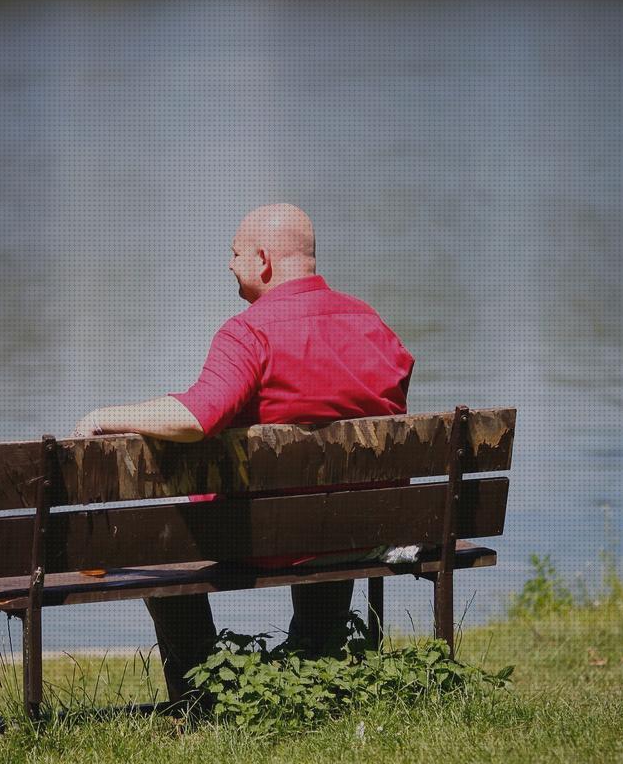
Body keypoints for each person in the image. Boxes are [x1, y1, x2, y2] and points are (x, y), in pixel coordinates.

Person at [72, 203, 415, 702]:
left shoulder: (250, 331)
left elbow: (196, 418)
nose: (230, 265)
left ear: (263, 261)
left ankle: (200, 693)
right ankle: (315, 667)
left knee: (156, 544)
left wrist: (103, 416)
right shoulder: (370, 323)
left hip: (266, 537)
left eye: (234, 254)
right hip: (363, 529)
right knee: (326, 511)